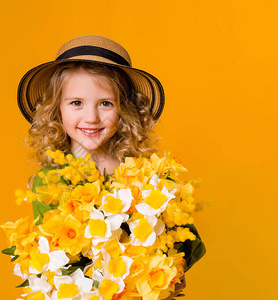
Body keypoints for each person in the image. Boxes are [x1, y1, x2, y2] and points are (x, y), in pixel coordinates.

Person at [16, 35, 205, 299]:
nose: (91, 117)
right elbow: (54, 264)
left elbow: (186, 242)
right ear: (56, 110)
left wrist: (169, 274)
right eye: (76, 103)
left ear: (125, 109)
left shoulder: (147, 174)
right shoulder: (50, 182)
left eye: (106, 103)